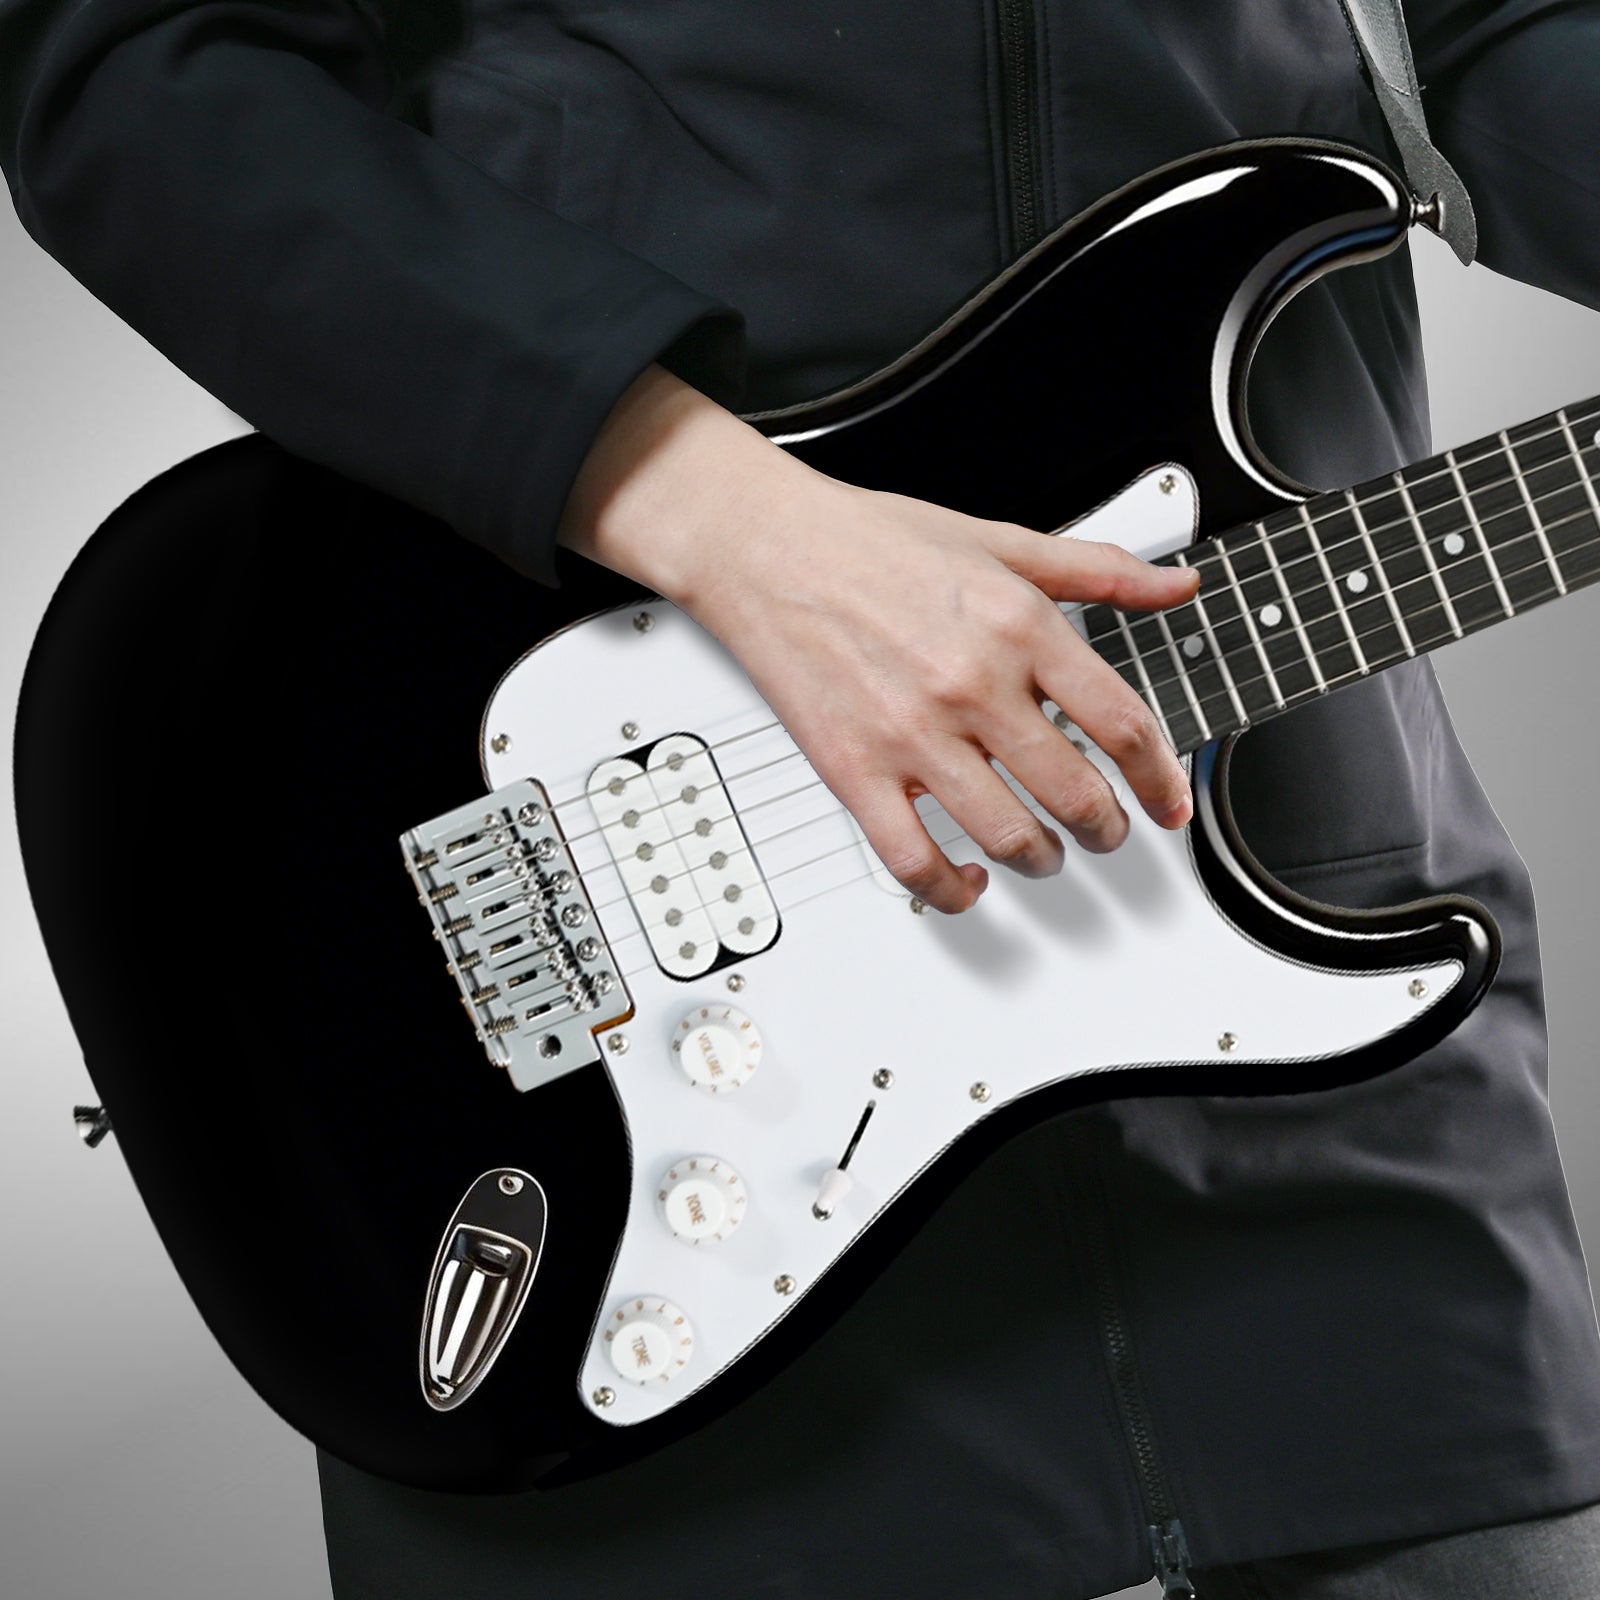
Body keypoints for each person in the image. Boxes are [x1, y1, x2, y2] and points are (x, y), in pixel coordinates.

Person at [4, 1, 1600, 1596]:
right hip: (620, 1003)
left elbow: (1477, 29)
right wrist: (722, 519)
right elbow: (133, 68)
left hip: (1308, 982)